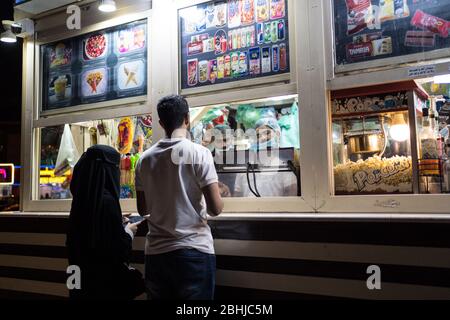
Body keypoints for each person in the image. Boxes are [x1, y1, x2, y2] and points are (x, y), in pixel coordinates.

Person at [135, 95, 224, 300]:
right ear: (187, 118)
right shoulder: (199, 153)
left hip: (156, 254)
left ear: (161, 123)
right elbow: (215, 209)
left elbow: (143, 210)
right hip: (194, 251)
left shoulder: (144, 159)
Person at [66, 145, 143, 300]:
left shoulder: (81, 200)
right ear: (107, 171)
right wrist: (128, 232)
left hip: (80, 284)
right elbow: (116, 250)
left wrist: (115, 222)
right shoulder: (107, 202)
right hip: (104, 288)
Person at [234, 116, 298, 197]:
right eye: (258, 135)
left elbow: (291, 200)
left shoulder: (284, 168)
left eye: (267, 133)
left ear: (277, 134)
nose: (262, 138)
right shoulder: (245, 167)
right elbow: (237, 195)